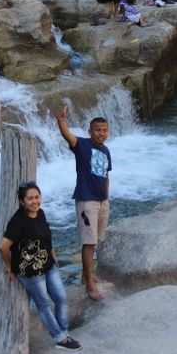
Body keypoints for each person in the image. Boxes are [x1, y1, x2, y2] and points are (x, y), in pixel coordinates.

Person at [0, 182, 81, 351]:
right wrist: (9, 266)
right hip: (30, 272)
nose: (34, 201)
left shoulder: (40, 213)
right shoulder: (18, 222)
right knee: (43, 304)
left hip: (48, 265)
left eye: (37, 197)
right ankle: (60, 339)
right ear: (22, 202)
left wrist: (53, 254)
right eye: (30, 199)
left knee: (61, 297)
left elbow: (46, 237)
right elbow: (3, 247)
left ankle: (64, 331)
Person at [56, 107, 112, 301]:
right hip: (86, 200)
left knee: (94, 240)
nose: (101, 133)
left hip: (102, 201)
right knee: (88, 243)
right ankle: (89, 285)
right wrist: (61, 121)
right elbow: (68, 136)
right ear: (90, 132)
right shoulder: (82, 145)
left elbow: (106, 175)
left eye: (104, 130)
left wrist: (106, 196)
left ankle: (86, 275)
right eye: (98, 130)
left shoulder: (105, 150)